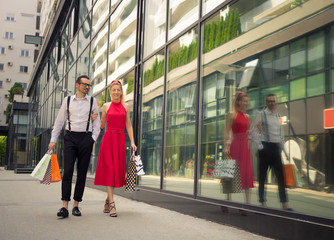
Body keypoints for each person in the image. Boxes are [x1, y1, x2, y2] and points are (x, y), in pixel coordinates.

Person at [48, 75, 101, 218]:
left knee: (82, 173)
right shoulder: (68, 100)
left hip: (85, 138)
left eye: (89, 85)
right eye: (85, 84)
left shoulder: (92, 101)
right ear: (77, 85)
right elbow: (59, 121)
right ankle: (64, 206)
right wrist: (53, 139)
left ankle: (76, 205)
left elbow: (97, 123)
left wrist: (92, 139)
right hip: (70, 137)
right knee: (68, 172)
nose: (87, 87)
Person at [94, 79, 137, 217]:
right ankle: (112, 204)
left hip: (120, 141)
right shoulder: (106, 106)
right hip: (108, 141)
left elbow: (129, 125)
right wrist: (92, 119)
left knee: (117, 173)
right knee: (110, 171)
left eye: (119, 90)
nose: (116, 92)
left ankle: (107, 199)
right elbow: (101, 124)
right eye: (114, 90)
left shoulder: (126, 106)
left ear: (121, 92)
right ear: (110, 92)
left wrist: (132, 142)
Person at [252, 94, 292, 211]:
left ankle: (285, 204)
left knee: (281, 178)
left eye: (273, 101)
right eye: (269, 101)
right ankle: (262, 202)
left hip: (276, 149)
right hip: (265, 147)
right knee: (262, 177)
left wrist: (285, 151)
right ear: (266, 103)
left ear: (276, 103)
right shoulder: (261, 114)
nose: (271, 103)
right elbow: (254, 132)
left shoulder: (278, 116)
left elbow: (280, 136)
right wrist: (260, 147)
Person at [224, 91, 254, 205]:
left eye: (248, 101)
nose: (247, 103)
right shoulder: (232, 114)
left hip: (245, 146)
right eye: (245, 101)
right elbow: (226, 131)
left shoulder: (247, 116)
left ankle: (248, 203)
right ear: (239, 102)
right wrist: (226, 145)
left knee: (246, 172)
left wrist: (251, 132)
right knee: (231, 171)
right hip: (235, 144)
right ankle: (228, 200)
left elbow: (246, 131)